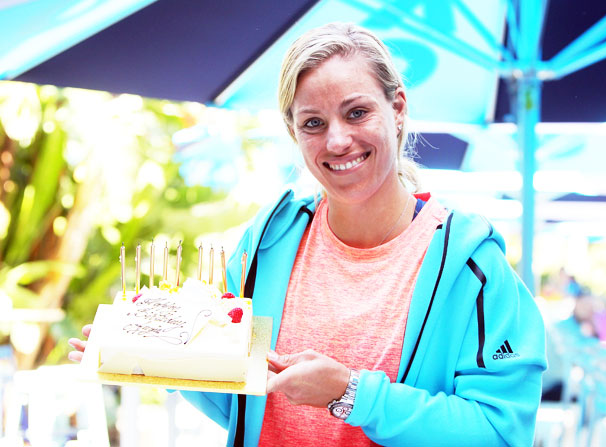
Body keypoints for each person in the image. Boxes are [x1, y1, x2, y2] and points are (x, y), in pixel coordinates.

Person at [70, 22, 546, 446]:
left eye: (357, 113)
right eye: (313, 123)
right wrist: (158, 360)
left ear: (397, 108)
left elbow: (502, 432)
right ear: (294, 132)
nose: (337, 141)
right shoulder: (267, 242)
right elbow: (245, 404)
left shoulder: (472, 267)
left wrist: (351, 393)